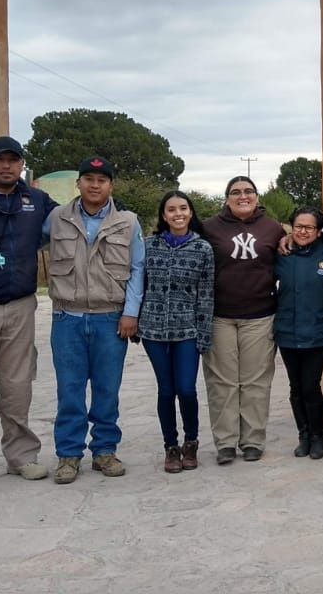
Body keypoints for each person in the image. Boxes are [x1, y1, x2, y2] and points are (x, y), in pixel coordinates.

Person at [47, 156, 145, 484]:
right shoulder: (57, 218)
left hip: (110, 319)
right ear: (78, 183)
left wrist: (131, 312)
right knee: (69, 390)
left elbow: (137, 269)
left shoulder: (128, 222)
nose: (94, 184)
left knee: (107, 389)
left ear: (111, 186)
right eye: (88, 178)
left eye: (101, 180)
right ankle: (69, 455)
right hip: (67, 318)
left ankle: (104, 450)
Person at [201, 175, 284, 465]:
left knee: (255, 382)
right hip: (220, 316)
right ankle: (225, 442)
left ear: (257, 197)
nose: (242, 196)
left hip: (260, 315)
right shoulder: (209, 228)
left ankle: (252, 440)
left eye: (248, 191)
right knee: (222, 382)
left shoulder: (272, 229)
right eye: (235, 192)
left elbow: (283, 259)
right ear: (226, 198)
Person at [0, 136, 57, 481]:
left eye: (12, 160)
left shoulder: (36, 199)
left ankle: (20, 456)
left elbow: (72, 218)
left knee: (17, 386)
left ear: (21, 164)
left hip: (19, 305)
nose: (6, 165)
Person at [137, 191, 214, 473]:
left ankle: (191, 441)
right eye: (171, 209)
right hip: (154, 329)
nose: (178, 214)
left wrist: (204, 333)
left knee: (186, 389)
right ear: (163, 215)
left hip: (188, 330)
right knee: (166, 390)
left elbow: (206, 294)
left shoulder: (202, 248)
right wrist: (135, 320)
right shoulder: (148, 246)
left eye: (183, 208)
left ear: (191, 213)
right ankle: (171, 446)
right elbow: (138, 285)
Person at [274, 206, 323, 461]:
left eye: (309, 227)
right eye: (299, 226)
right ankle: (304, 435)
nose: (303, 231)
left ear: (319, 231)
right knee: (295, 387)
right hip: (287, 330)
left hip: (317, 332)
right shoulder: (281, 253)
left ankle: (318, 437)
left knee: (311, 386)